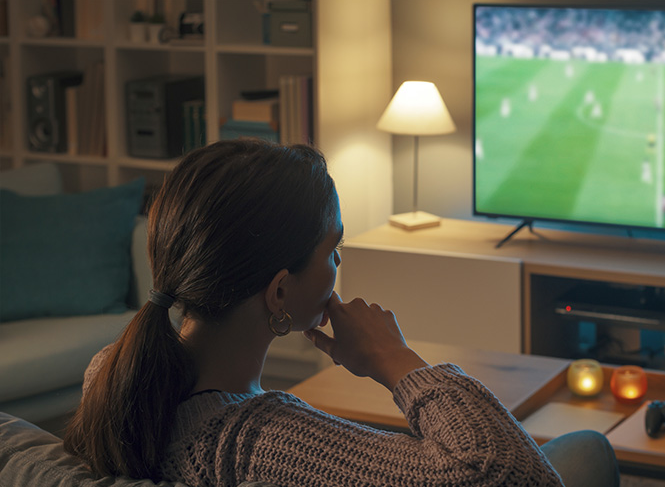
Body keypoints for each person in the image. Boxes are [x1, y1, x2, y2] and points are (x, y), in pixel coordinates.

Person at [63, 139, 619, 487]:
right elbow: (506, 474)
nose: (337, 266)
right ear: (279, 294)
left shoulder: (110, 372)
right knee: (589, 451)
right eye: (333, 251)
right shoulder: (262, 445)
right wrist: (395, 360)